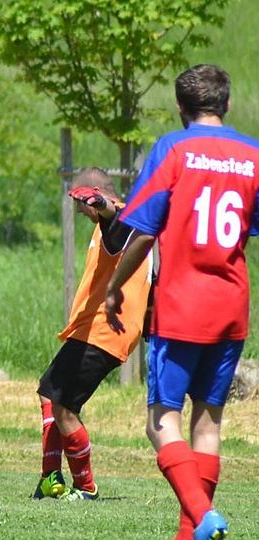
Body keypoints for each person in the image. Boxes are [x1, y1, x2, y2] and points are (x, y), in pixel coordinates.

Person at [107, 64, 259, 540]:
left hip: (181, 307)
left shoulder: (174, 148)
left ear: (180, 106)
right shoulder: (253, 154)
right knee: (208, 423)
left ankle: (204, 515)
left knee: (160, 421)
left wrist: (115, 286)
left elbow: (143, 230)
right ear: (226, 103)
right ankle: (189, 531)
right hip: (231, 306)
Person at [33, 168, 151, 501]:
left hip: (105, 330)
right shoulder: (121, 224)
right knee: (49, 392)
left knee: (65, 408)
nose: (80, 210)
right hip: (91, 329)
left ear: (94, 194)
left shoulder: (121, 222)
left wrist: (101, 204)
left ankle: (85, 488)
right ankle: (50, 477)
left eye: (81, 203)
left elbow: (115, 219)